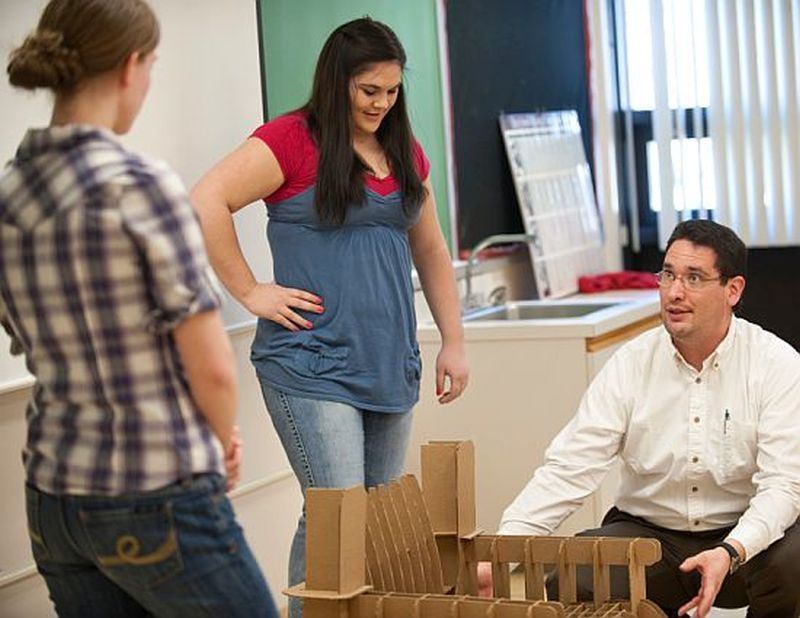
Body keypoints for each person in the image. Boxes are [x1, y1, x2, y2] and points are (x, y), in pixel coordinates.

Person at [1, 1, 278, 616]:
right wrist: (218, 439)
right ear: (131, 66)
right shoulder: (138, 184)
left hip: (52, 497)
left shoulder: (8, 194)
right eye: (152, 66)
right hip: (154, 488)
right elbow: (211, 367)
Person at [191, 16, 469, 617]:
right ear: (337, 81)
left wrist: (454, 340)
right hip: (310, 362)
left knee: (374, 523)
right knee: (334, 512)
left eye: (392, 91)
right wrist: (251, 291)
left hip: (389, 360)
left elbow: (432, 249)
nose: (381, 103)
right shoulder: (290, 140)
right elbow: (206, 199)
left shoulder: (402, 148)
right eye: (369, 90)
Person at [480, 220, 800, 618]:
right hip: (650, 538)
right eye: (668, 275)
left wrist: (731, 550)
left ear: (732, 290)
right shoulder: (631, 364)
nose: (675, 292)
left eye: (694, 278)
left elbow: (784, 486)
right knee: (572, 577)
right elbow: (569, 468)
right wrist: (502, 552)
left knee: (794, 565)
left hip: (740, 537)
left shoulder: (776, 364)